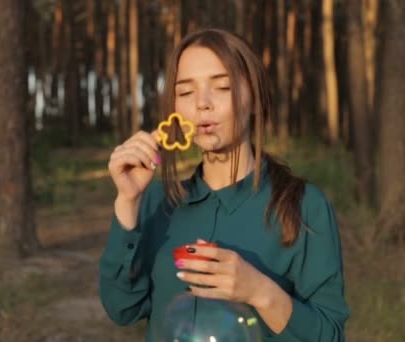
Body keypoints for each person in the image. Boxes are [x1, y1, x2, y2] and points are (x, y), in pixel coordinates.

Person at [98, 28, 349, 341]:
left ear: (254, 99)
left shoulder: (304, 206)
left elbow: (330, 335)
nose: (202, 103)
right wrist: (127, 202)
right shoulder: (156, 202)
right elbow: (122, 309)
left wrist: (258, 291)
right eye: (186, 92)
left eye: (221, 87)